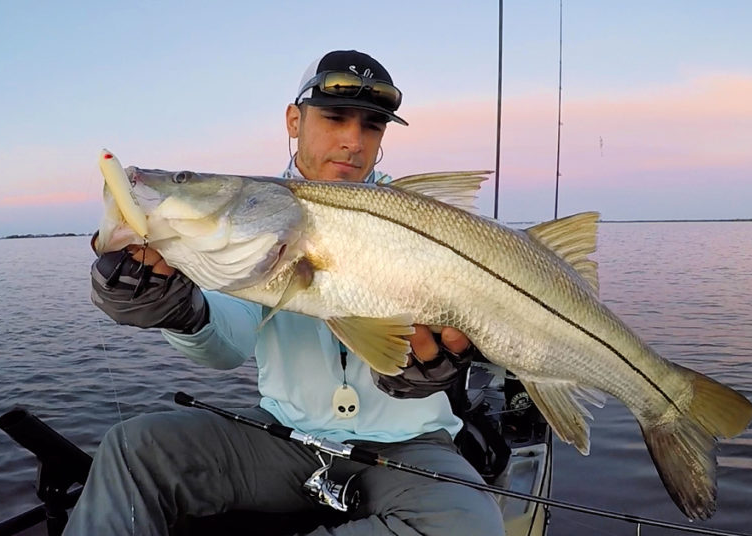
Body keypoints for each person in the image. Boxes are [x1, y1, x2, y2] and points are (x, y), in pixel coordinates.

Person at [67, 50, 505, 536]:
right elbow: (227, 341)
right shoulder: (252, 214)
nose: (353, 141)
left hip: (410, 446)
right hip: (282, 438)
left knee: (472, 526)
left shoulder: (423, 219)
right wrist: (176, 309)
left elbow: (486, 326)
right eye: (335, 117)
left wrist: (444, 368)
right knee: (134, 451)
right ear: (294, 120)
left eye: (373, 126)